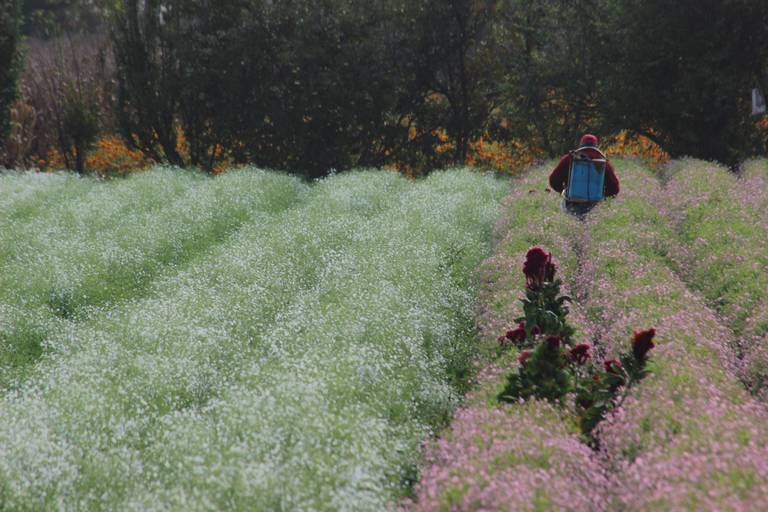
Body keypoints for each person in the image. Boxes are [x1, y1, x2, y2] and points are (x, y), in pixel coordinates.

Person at [549, 134, 620, 217]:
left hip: (571, 203)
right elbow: (614, 188)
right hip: (595, 206)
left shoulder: (569, 159)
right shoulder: (603, 162)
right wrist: (602, 196)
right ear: (596, 146)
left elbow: (553, 180)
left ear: (581, 144)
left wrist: (563, 191)